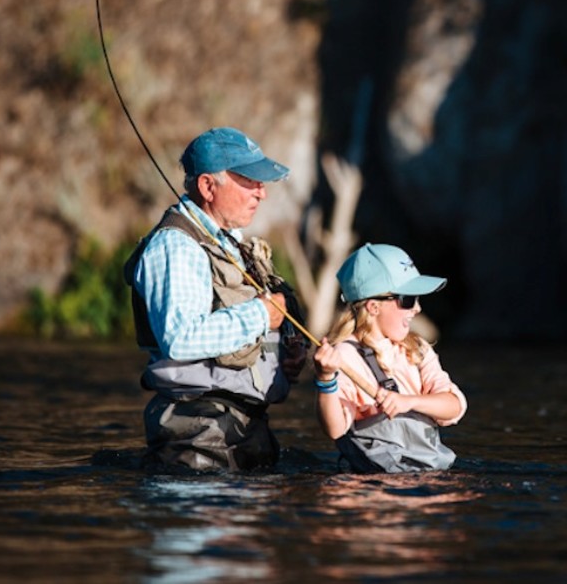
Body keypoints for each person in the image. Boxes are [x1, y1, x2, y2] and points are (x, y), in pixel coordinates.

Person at [125, 127, 308, 472]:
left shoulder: (228, 242)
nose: (262, 193)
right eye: (250, 181)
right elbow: (181, 338)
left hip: (238, 424)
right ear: (208, 186)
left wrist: (283, 356)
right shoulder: (177, 247)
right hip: (197, 430)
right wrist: (260, 316)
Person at [312, 243, 466, 472]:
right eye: (408, 299)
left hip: (425, 478)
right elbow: (335, 429)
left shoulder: (418, 348)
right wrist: (325, 379)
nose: (417, 309)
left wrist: (409, 402)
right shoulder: (345, 355)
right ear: (374, 307)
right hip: (370, 485)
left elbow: (455, 407)